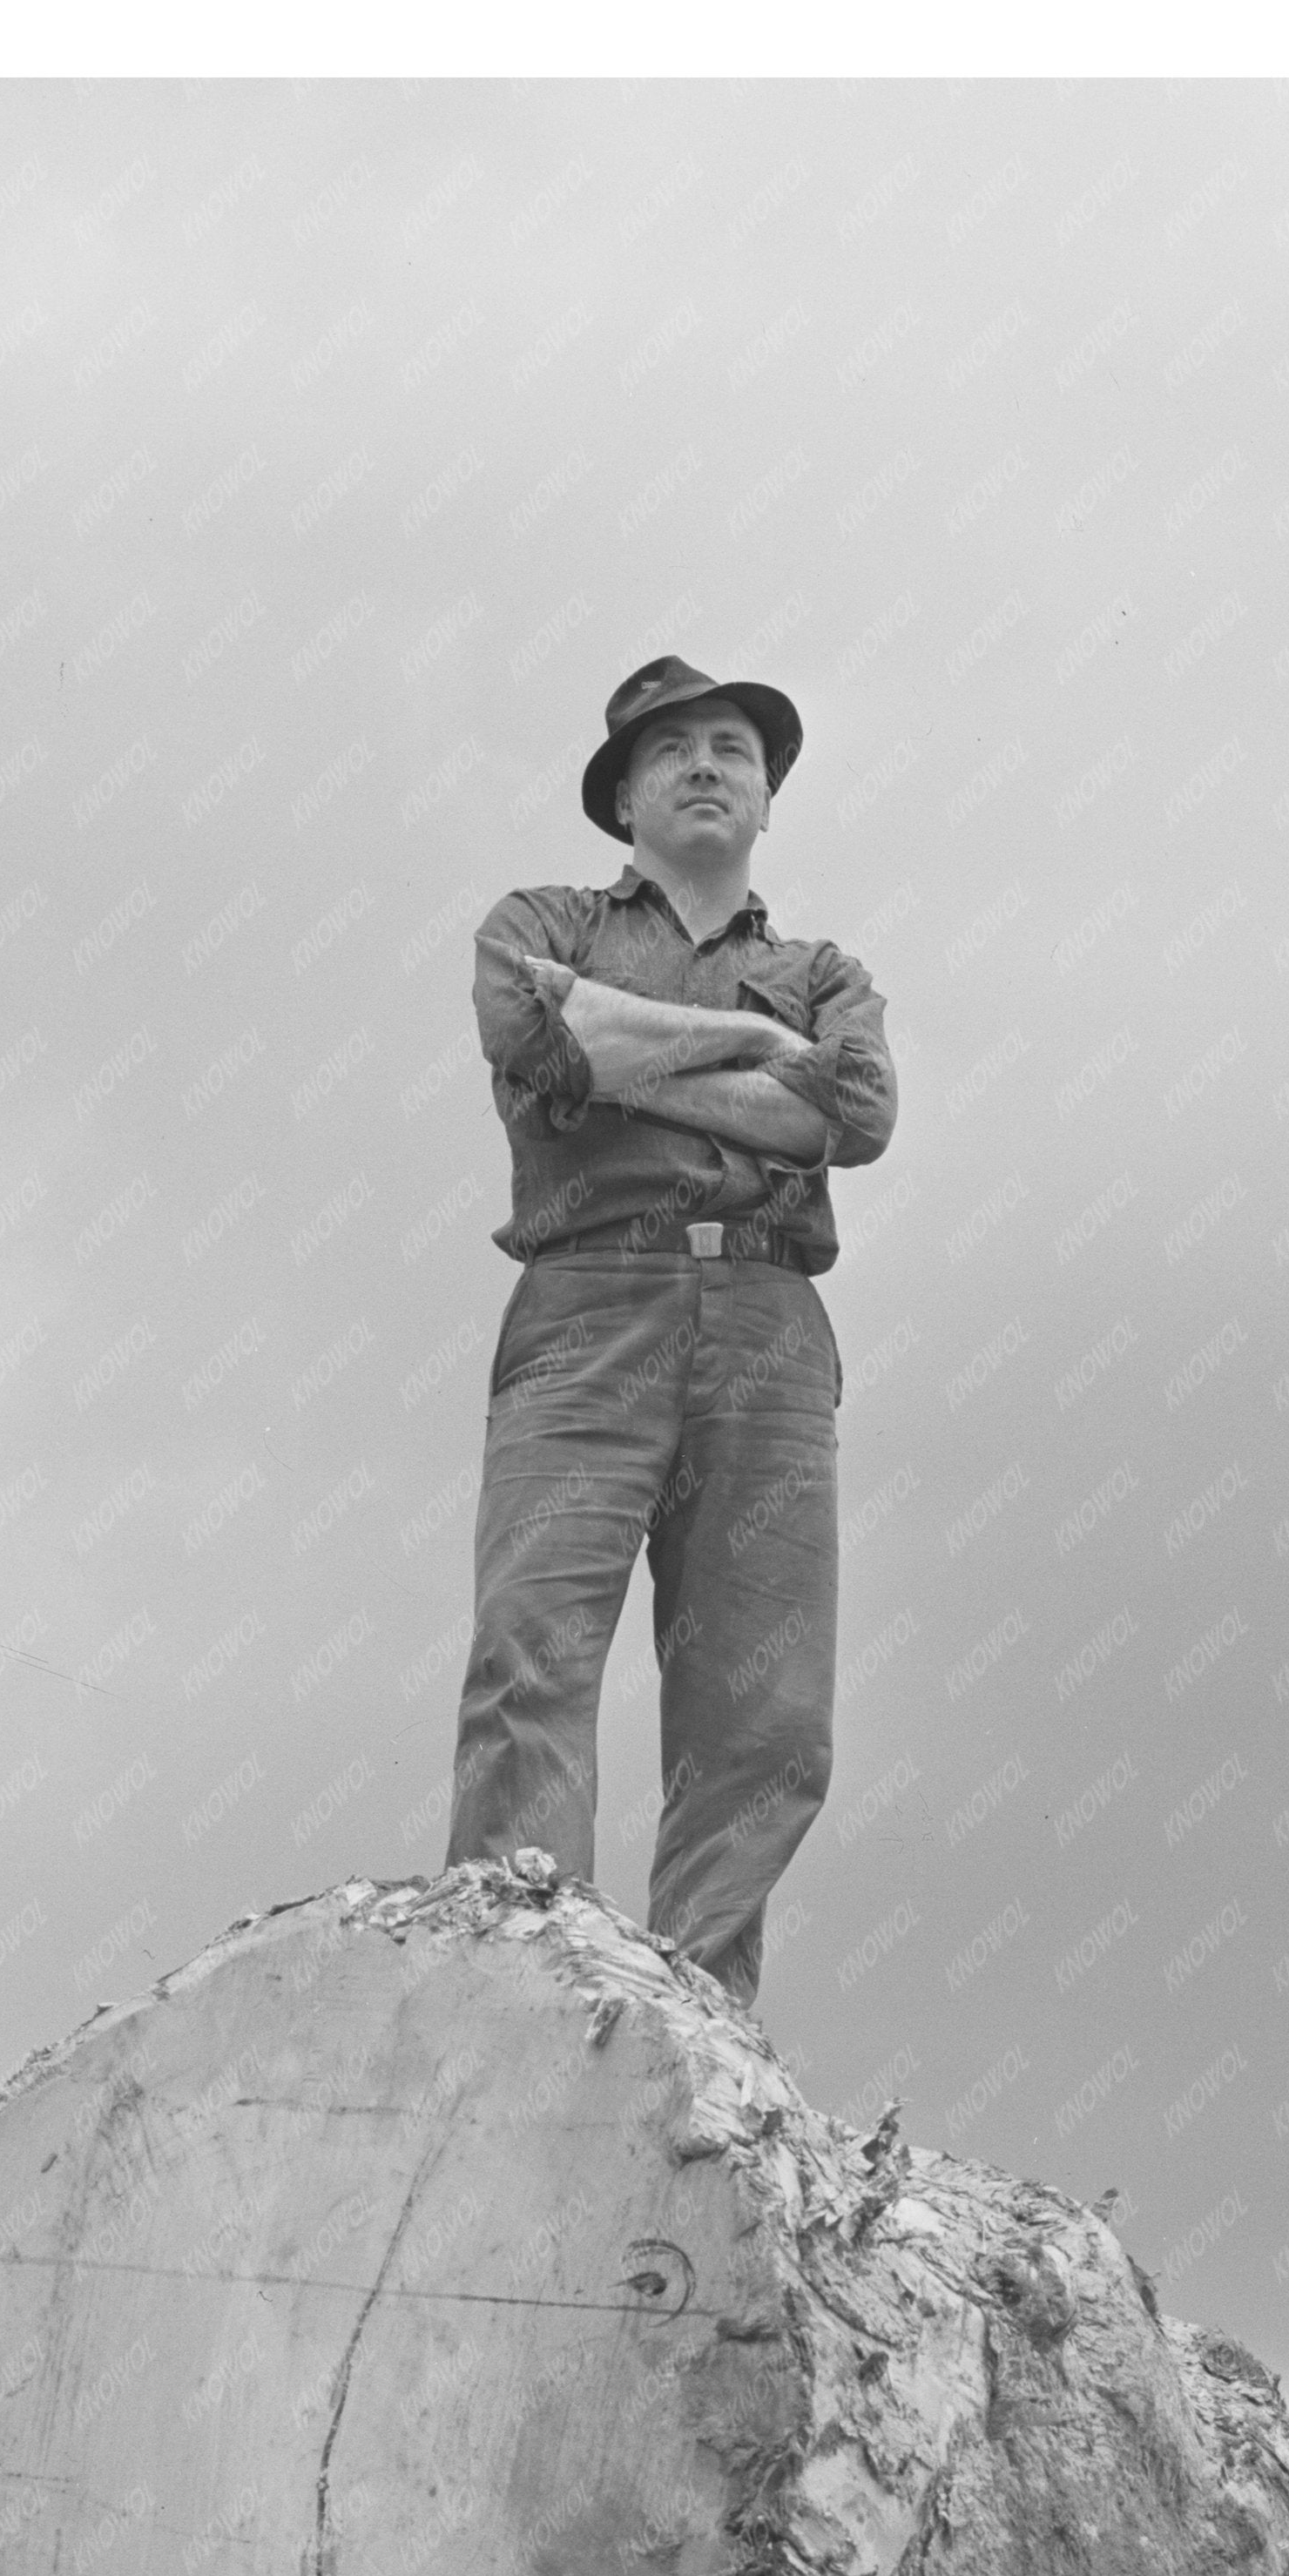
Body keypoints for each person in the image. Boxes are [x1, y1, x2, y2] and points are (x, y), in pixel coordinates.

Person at [442, 653, 897, 2017]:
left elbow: (856, 1118)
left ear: (765, 799)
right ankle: (517, 1995)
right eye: (673, 750)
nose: (707, 764)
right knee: (533, 1645)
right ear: (623, 797)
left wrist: (629, 1051)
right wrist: (761, 1063)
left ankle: (692, 2028)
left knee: (763, 1714)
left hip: (766, 1320)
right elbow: (536, 1028)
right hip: (588, 1303)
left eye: (733, 750)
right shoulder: (545, 923)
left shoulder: (824, 968)